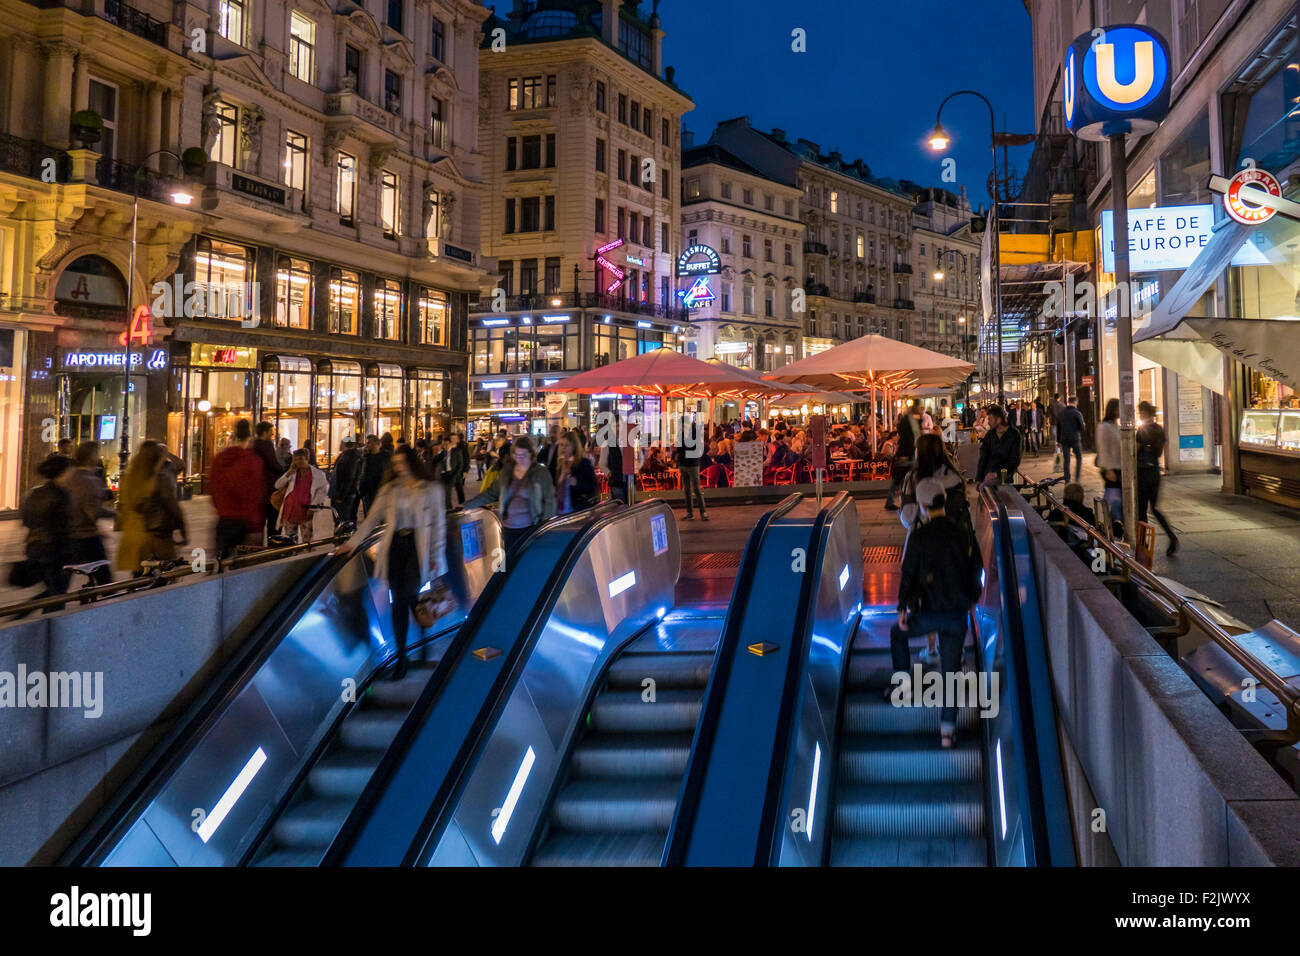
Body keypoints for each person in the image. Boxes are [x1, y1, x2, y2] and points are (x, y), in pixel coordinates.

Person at [890, 477, 984, 749]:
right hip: (957, 614)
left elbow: (908, 574)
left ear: (922, 505)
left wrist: (902, 607)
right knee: (951, 670)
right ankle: (947, 730)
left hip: (928, 611)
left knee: (898, 635)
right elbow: (976, 567)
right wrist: (971, 599)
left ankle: (903, 686)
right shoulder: (963, 532)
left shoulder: (919, 536)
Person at [337, 447, 446, 680]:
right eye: (396, 464)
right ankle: (404, 656)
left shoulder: (431, 489)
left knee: (407, 593)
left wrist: (437, 554)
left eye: (403, 463)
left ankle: (421, 636)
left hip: (418, 548)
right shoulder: (390, 490)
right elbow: (372, 519)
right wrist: (352, 543)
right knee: (401, 599)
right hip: (395, 546)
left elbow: (438, 523)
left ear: (413, 464)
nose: (399, 468)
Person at [467, 434, 556, 552]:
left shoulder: (540, 473)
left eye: (523, 455)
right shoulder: (507, 471)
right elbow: (491, 493)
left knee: (525, 562)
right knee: (510, 562)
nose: (520, 459)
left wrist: (544, 529)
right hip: (509, 527)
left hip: (530, 528)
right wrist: (468, 505)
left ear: (531, 454)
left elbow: (550, 501)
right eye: (517, 455)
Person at [117, 440, 186, 574]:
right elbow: (173, 507)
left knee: (138, 577)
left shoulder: (129, 476)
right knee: (160, 579)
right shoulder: (159, 478)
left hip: (133, 537)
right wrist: (183, 530)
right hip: (155, 536)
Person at [19, 455, 74, 604]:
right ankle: (25, 613)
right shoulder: (62, 494)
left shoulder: (34, 492)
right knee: (57, 594)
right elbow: (64, 525)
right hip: (55, 550)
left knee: (53, 590)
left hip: (35, 547)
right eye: (69, 470)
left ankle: (26, 611)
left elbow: (26, 520)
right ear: (62, 472)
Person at [210, 420, 267, 559]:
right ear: (250, 437)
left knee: (220, 566)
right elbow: (254, 495)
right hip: (246, 523)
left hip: (224, 520)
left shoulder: (219, 459)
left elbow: (213, 489)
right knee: (244, 570)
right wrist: (256, 526)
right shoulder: (253, 461)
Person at [62, 441, 114, 584]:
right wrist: (115, 515)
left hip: (69, 535)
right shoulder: (88, 480)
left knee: (62, 582)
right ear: (91, 456)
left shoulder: (70, 476)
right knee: (105, 580)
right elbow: (93, 511)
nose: (98, 457)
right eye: (96, 453)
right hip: (87, 537)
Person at [1137, 401, 1179, 555]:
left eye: (1140, 412)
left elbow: (1134, 450)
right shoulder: (1159, 429)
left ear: (1144, 413)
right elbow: (1160, 450)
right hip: (1155, 471)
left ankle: (1144, 548)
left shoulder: (1142, 430)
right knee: (1154, 508)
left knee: (1141, 510)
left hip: (1142, 473)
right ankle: (1172, 536)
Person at [275, 450, 332, 543]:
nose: (298, 462)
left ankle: (306, 555)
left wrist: (313, 508)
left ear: (307, 459)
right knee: (290, 541)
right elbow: (277, 485)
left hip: (306, 512)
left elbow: (322, 492)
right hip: (290, 511)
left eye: (301, 459)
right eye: (296, 459)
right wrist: (289, 472)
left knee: (307, 541)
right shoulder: (292, 473)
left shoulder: (318, 474)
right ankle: (292, 556)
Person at [1096, 398, 1124, 539]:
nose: (1121, 411)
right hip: (1111, 469)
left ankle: (1116, 527)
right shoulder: (1104, 427)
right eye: (1119, 408)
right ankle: (1111, 528)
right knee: (1114, 500)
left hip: (1120, 469)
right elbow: (1103, 449)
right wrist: (1108, 468)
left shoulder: (1116, 426)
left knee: (1117, 500)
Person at [887, 402, 923, 511]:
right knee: (901, 478)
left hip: (911, 453)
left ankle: (912, 499)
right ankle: (891, 501)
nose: (920, 410)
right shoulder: (906, 421)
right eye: (919, 408)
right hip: (905, 454)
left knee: (910, 477)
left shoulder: (914, 420)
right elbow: (906, 438)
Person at [976, 404, 1021, 489]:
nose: (988, 422)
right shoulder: (990, 435)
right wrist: (979, 478)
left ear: (999, 419)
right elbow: (983, 457)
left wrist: (997, 473)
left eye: (990, 419)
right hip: (988, 475)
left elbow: (1014, 460)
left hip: (1004, 477)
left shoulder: (1014, 434)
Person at [554, 430, 598, 515]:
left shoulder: (583, 463)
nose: (563, 448)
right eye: (561, 445)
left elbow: (593, 486)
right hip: (560, 509)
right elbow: (556, 487)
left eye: (567, 445)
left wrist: (577, 483)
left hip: (577, 510)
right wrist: (562, 476)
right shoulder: (559, 463)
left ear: (574, 446)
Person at [253, 423, 283, 541]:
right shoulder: (266, 445)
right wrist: (282, 470)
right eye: (271, 431)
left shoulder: (253, 445)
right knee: (274, 520)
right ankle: (274, 545)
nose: (272, 433)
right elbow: (272, 464)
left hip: (257, 489)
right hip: (269, 488)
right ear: (265, 432)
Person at [677, 418, 708, 521]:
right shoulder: (682, 434)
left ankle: (702, 512)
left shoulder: (693, 433)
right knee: (688, 489)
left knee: (695, 489)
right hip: (686, 463)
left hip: (691, 463)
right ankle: (692, 512)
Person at [330, 435, 364, 526]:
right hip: (345, 493)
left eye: (342, 443)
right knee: (345, 519)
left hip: (344, 494)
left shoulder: (349, 456)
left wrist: (341, 495)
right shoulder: (348, 456)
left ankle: (344, 538)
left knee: (343, 520)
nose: (340, 445)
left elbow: (349, 477)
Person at [1056, 396, 1086, 483]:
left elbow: (1058, 428)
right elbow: (1081, 427)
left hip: (1064, 439)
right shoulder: (1077, 413)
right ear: (1075, 402)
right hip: (1075, 438)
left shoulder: (1062, 413)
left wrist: (1058, 441)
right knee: (1079, 458)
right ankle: (1077, 478)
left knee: (1066, 460)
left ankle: (1067, 479)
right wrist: (1083, 425)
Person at [359, 435, 390, 516]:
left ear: (377, 444)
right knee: (370, 515)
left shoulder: (386, 457)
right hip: (368, 492)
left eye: (369, 443)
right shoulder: (366, 458)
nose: (367, 445)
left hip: (381, 491)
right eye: (367, 443)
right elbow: (363, 474)